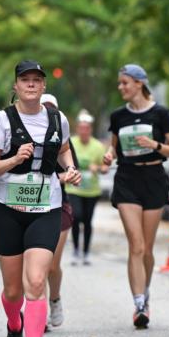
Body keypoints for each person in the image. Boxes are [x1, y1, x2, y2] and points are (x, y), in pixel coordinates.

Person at [0, 60, 81, 337]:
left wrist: (68, 170)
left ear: (43, 86)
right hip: (5, 209)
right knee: (13, 290)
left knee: (36, 282)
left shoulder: (57, 118)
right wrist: (14, 158)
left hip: (46, 207)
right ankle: (14, 326)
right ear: (15, 86)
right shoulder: (3, 120)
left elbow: (64, 150)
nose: (31, 84)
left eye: (37, 80)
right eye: (25, 79)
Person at [103, 64, 169, 328]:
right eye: (119, 83)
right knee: (135, 244)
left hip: (154, 178)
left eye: (125, 83)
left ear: (139, 84)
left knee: (147, 248)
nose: (121, 88)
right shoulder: (118, 116)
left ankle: (145, 293)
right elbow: (113, 148)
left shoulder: (161, 113)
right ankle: (138, 303)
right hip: (127, 179)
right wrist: (108, 155)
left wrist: (155, 145)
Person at [39, 93, 73, 330]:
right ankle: (38, 313)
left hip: (59, 205)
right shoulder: (27, 136)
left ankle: (55, 299)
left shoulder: (62, 139)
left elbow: (71, 172)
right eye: (45, 107)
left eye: (53, 109)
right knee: (37, 264)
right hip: (32, 205)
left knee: (51, 265)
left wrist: (57, 177)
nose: (49, 113)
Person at [65, 109, 105, 265]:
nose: (83, 131)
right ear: (77, 129)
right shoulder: (71, 143)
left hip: (91, 190)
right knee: (76, 217)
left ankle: (86, 252)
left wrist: (98, 168)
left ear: (90, 129)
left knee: (88, 221)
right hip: (74, 188)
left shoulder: (98, 146)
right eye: (81, 128)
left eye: (86, 128)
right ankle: (75, 249)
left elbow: (105, 169)